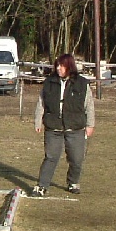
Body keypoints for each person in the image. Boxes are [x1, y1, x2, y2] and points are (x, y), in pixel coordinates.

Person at [31, 53, 95, 197]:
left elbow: (89, 106)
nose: (59, 68)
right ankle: (42, 186)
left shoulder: (82, 84)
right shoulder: (49, 83)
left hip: (75, 128)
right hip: (54, 128)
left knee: (77, 159)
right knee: (51, 157)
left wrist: (90, 125)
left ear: (69, 66)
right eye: (57, 65)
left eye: (62, 66)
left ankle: (73, 182)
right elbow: (41, 103)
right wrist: (38, 120)